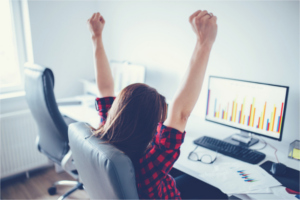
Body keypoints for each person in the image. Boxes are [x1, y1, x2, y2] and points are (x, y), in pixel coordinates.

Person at [87, 10, 227, 199]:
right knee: (216, 191)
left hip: (161, 188)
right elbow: (181, 113)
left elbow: (105, 89)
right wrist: (204, 43)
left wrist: (97, 37)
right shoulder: (146, 167)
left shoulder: (107, 133)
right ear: (150, 131)